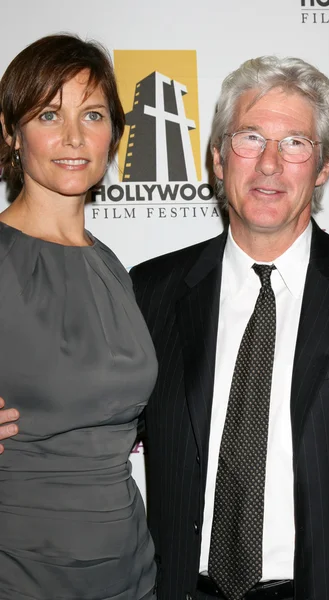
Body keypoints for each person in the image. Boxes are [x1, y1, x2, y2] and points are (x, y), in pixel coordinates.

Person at [3, 56, 329, 600]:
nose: (269, 165)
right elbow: (86, 411)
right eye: (250, 139)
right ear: (217, 159)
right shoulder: (150, 289)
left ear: (324, 166)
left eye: (296, 144)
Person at [0, 34, 157, 600]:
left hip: (131, 569)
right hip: (21, 572)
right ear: (11, 133)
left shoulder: (110, 265)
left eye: (91, 115)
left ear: (113, 133)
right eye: (48, 114)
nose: (72, 137)